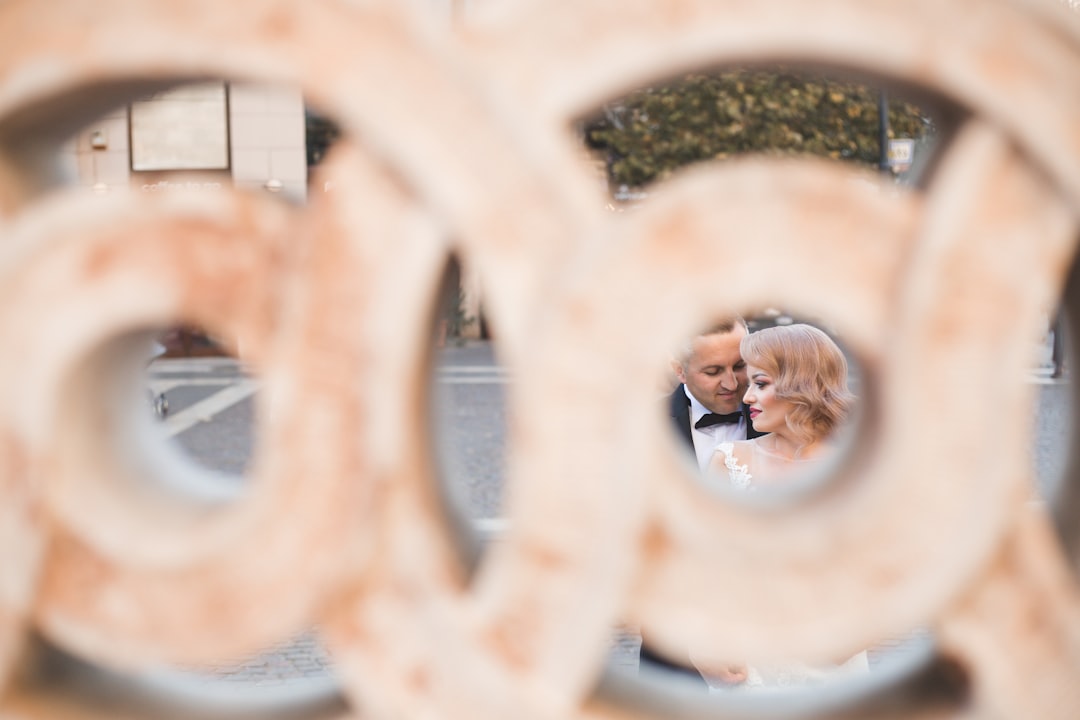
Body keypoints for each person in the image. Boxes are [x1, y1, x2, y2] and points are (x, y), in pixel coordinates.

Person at [698, 323, 866, 689]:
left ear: (800, 383)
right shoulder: (729, 461)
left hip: (835, 670)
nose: (746, 398)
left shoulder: (858, 469)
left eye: (760, 384)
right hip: (748, 666)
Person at [640, 317, 767, 687]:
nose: (732, 383)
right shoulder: (640, 426)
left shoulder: (786, 415)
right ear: (678, 369)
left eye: (740, 366)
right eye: (713, 371)